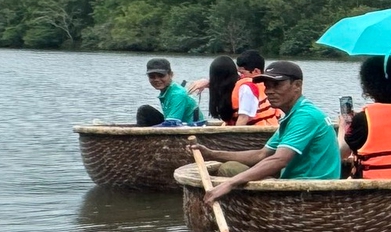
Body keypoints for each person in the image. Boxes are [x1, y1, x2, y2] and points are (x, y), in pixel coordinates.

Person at [194, 60, 341, 202]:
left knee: (229, 169)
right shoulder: (294, 114)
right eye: (267, 86)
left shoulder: (306, 115)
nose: (269, 92)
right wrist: (212, 154)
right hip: (299, 184)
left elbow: (279, 160)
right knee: (230, 167)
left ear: (297, 85)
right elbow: (261, 154)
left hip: (311, 189)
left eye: (276, 85)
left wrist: (230, 183)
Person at [339, 56, 391, 179]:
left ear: (368, 84)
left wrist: (343, 125)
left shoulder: (364, 119)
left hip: (370, 193)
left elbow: (342, 153)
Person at [146, 58, 204, 126]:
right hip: (180, 124)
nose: (156, 80)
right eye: (152, 76)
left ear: (171, 74)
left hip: (191, 127)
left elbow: (172, 123)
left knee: (144, 110)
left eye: (161, 76)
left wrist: (148, 130)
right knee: (146, 111)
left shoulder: (177, 94)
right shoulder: (167, 91)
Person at [232, 49, 281, 127]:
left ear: (256, 71)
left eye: (242, 73)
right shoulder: (268, 85)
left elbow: (243, 117)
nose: (240, 76)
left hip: (257, 131)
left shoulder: (247, 87)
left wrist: (233, 136)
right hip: (272, 126)